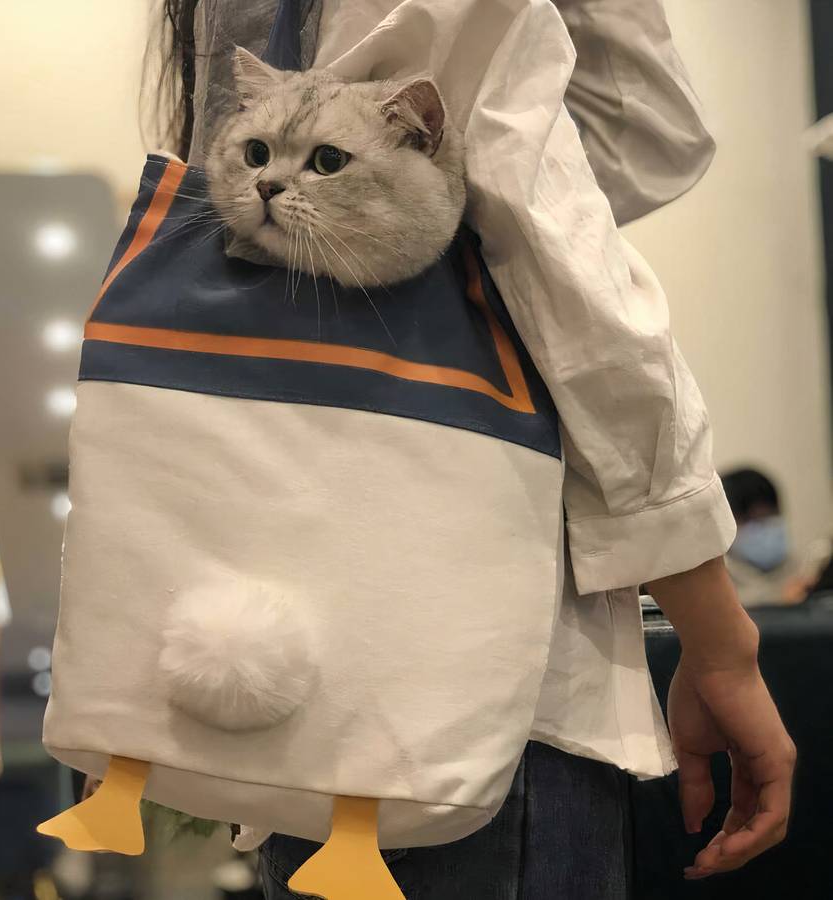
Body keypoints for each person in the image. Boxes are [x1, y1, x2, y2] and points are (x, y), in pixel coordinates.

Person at [150, 2, 796, 896]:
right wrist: (720, 641)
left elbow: (651, 142)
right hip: (478, 694)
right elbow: (567, 274)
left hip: (296, 682)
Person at [721, 467, 811, 607]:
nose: (764, 530)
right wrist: (783, 599)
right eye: (751, 521)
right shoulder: (716, 580)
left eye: (769, 517)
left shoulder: (803, 568)